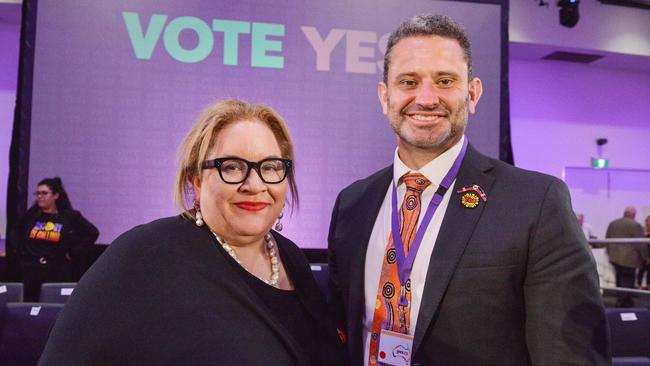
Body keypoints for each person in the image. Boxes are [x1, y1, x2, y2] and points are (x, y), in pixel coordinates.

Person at [327, 14, 609, 365]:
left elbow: (568, 355)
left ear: (472, 93)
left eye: (445, 81)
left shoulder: (535, 203)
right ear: (385, 96)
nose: (426, 98)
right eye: (408, 81)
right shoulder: (353, 204)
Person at [39, 100, 347, 366]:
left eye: (270, 167)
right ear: (196, 181)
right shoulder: (144, 254)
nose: (254, 185)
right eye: (232, 167)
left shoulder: (291, 258)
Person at [9, 177, 98, 301]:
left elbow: (92, 233)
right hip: (30, 270)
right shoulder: (31, 215)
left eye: (44, 193)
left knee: (53, 304)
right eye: (38, 193)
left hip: (56, 270)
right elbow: (15, 230)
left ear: (56, 195)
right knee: (30, 304)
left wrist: (73, 253)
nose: (40, 196)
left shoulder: (69, 217)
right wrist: (18, 250)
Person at [606, 207, 647, 290]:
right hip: (629, 261)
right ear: (633, 215)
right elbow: (641, 244)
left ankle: (620, 301)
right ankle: (624, 302)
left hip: (615, 258)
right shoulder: (636, 225)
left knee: (619, 282)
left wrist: (610, 254)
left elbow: (607, 239)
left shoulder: (613, 223)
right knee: (627, 284)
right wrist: (646, 257)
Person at [638, 215, 650, 289]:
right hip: (642, 254)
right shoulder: (642, 231)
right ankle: (639, 285)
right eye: (647, 221)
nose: (647, 222)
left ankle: (648, 285)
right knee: (641, 270)